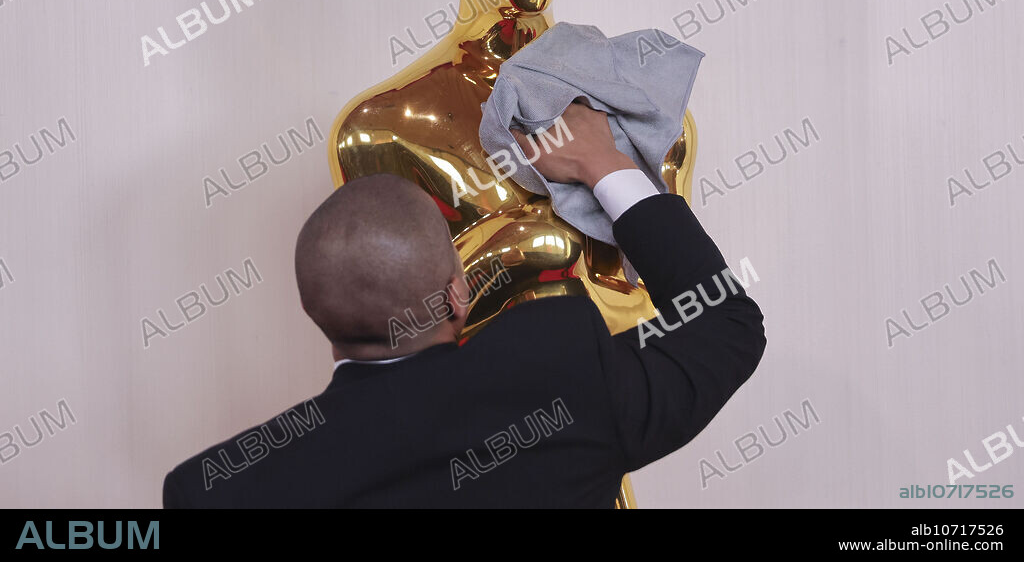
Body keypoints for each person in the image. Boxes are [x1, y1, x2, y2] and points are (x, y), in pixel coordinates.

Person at [162, 103, 766, 508]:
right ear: (458, 293)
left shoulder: (215, 490)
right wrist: (602, 163)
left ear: (314, 310)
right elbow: (727, 325)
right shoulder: (565, 376)